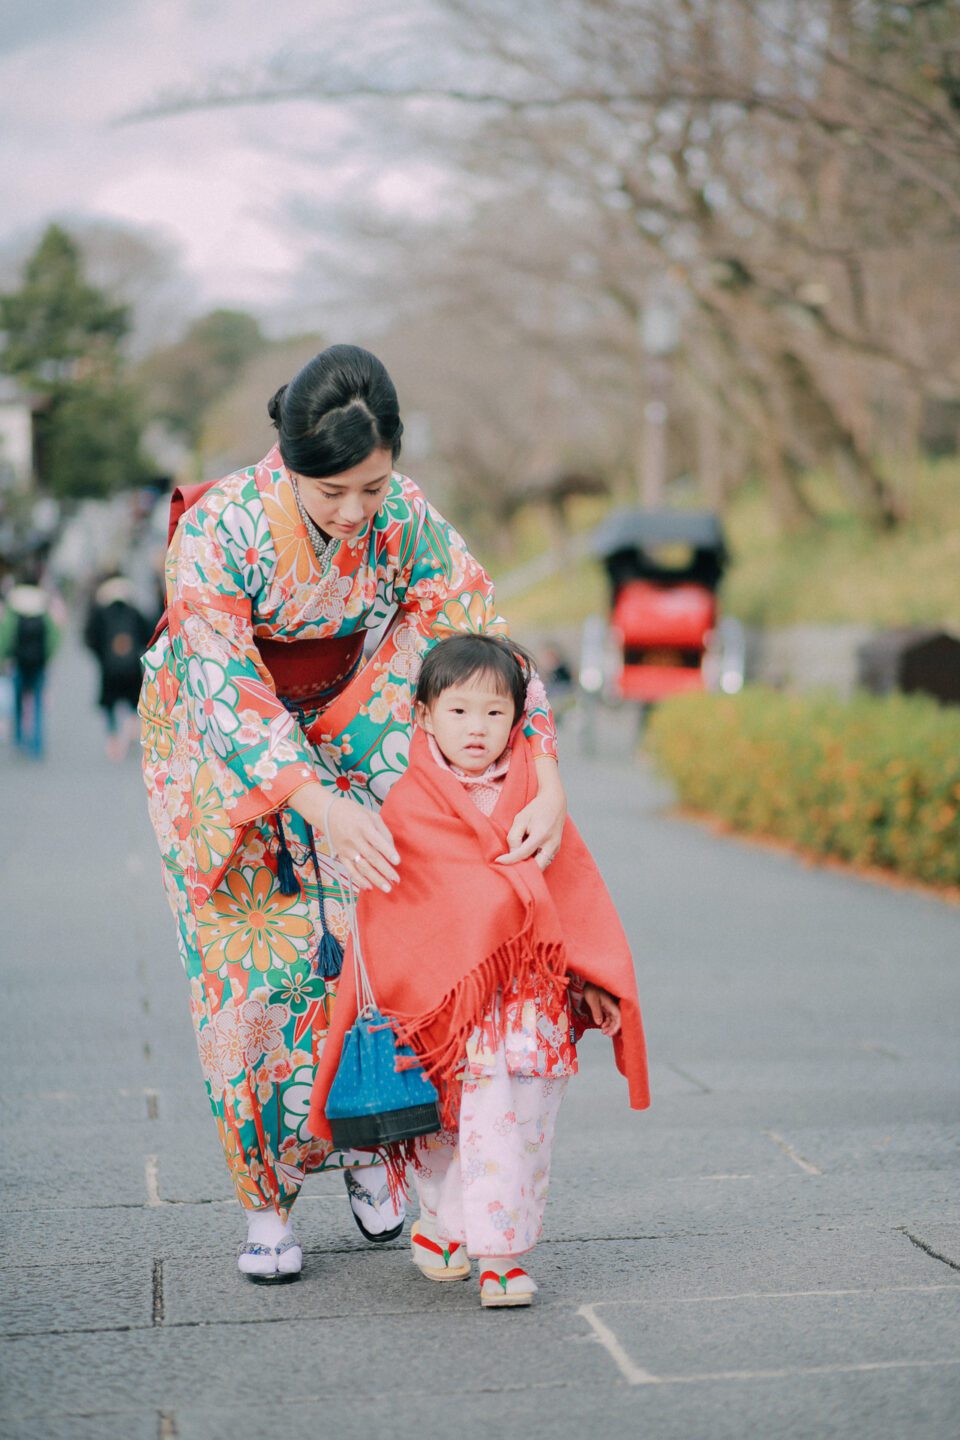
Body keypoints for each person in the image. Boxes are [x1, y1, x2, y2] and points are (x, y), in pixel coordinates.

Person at [139, 345, 567, 1283]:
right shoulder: (218, 528)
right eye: (328, 491)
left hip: (347, 717)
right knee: (252, 973)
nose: (351, 512)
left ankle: (375, 1142)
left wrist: (540, 763)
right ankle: (265, 1201)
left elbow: (476, 627)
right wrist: (308, 797)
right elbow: (224, 680)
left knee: (369, 935)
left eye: (370, 487)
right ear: (285, 461)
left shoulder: (402, 513)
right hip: (216, 745)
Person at [308, 633, 649, 1308]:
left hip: (526, 1007)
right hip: (448, 1013)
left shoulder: (533, 796)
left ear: (518, 720)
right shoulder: (410, 806)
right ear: (424, 716)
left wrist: (587, 980)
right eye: (459, 711)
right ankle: (448, 1224)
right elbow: (399, 918)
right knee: (451, 1127)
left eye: (495, 714)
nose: (476, 728)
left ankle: (498, 1254)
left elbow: (565, 899)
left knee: (518, 1127)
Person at [84, 572, 153, 759]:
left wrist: (102, 656)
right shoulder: (133, 612)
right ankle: (131, 728)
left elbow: (90, 637)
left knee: (109, 705)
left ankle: (113, 741)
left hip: (109, 668)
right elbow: (149, 633)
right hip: (132, 667)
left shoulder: (101, 613)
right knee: (133, 702)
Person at [0, 564, 60, 759]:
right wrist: (48, 656)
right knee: (37, 705)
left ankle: (19, 739)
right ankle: (37, 744)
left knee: (17, 702)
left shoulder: (14, 605)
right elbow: (53, 634)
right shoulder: (42, 604)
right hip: (39, 663)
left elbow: (6, 634)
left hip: (18, 662)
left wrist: (3, 656)